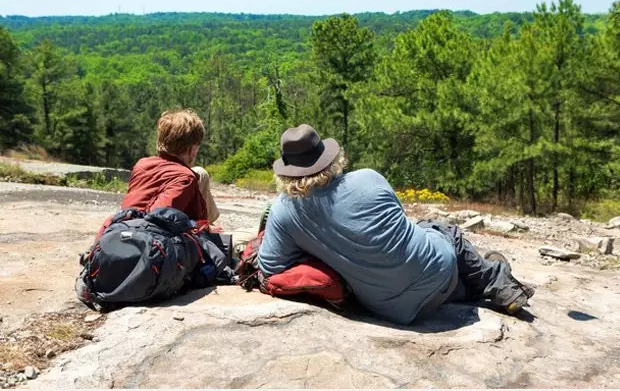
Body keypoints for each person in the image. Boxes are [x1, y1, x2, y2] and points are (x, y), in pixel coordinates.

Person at [257, 124, 534, 325]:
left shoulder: (284, 211)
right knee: (443, 231)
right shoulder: (368, 178)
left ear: (287, 172)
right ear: (330, 159)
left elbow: (270, 267)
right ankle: (497, 280)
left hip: (393, 309)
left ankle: (488, 280)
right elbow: (399, 227)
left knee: (439, 266)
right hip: (438, 273)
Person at [96, 109, 223, 239]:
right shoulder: (186, 178)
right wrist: (203, 227)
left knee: (200, 173)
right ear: (192, 149)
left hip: (122, 229)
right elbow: (159, 219)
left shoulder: (142, 164)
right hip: (148, 238)